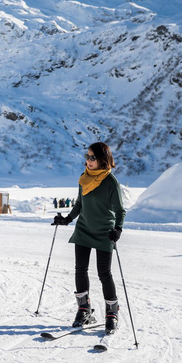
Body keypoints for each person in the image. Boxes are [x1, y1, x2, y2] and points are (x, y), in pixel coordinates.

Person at [52, 142, 126, 335]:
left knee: (104, 273)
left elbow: (120, 210)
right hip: (84, 228)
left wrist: (117, 229)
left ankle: (112, 313)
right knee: (80, 269)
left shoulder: (111, 182)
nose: (88, 160)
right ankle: (83, 309)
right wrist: (67, 219)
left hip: (104, 231)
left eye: (92, 157)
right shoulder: (84, 178)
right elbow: (79, 204)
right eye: (87, 156)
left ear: (103, 159)